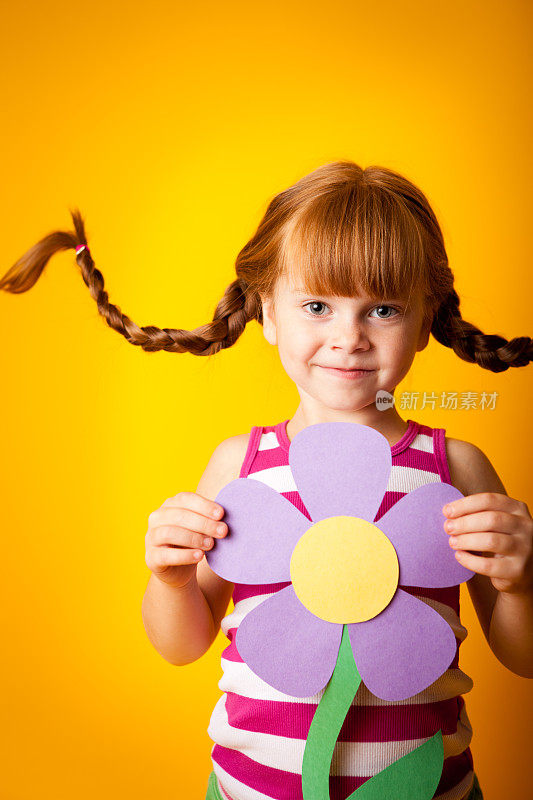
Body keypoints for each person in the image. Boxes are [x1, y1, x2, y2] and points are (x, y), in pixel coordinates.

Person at [2, 161, 532, 800]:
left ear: (425, 323)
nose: (349, 338)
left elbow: (523, 657)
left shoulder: (455, 469)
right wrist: (169, 579)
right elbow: (182, 645)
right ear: (268, 314)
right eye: (317, 305)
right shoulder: (241, 467)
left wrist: (522, 581)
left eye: (383, 309)